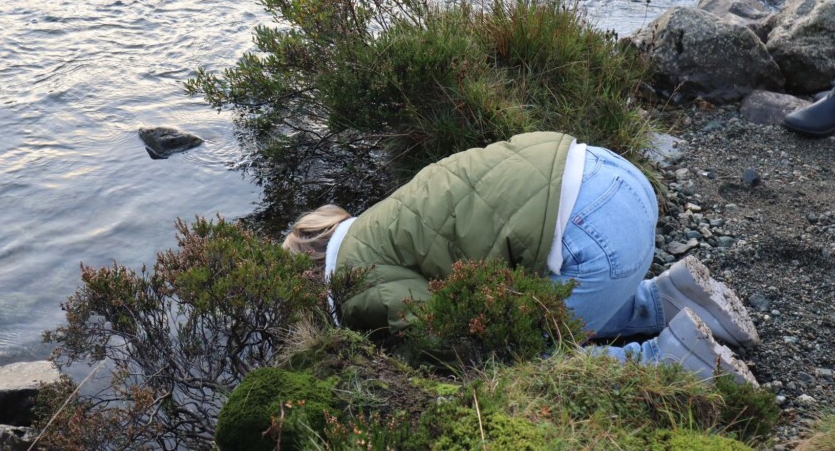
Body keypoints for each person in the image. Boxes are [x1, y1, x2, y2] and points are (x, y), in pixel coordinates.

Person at [283, 132, 759, 385]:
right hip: (614, 178)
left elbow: (441, 338)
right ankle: (665, 300)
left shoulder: (353, 280)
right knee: (531, 286)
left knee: (513, 358)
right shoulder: (387, 218)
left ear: (310, 271)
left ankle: (669, 360)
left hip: (596, 240)